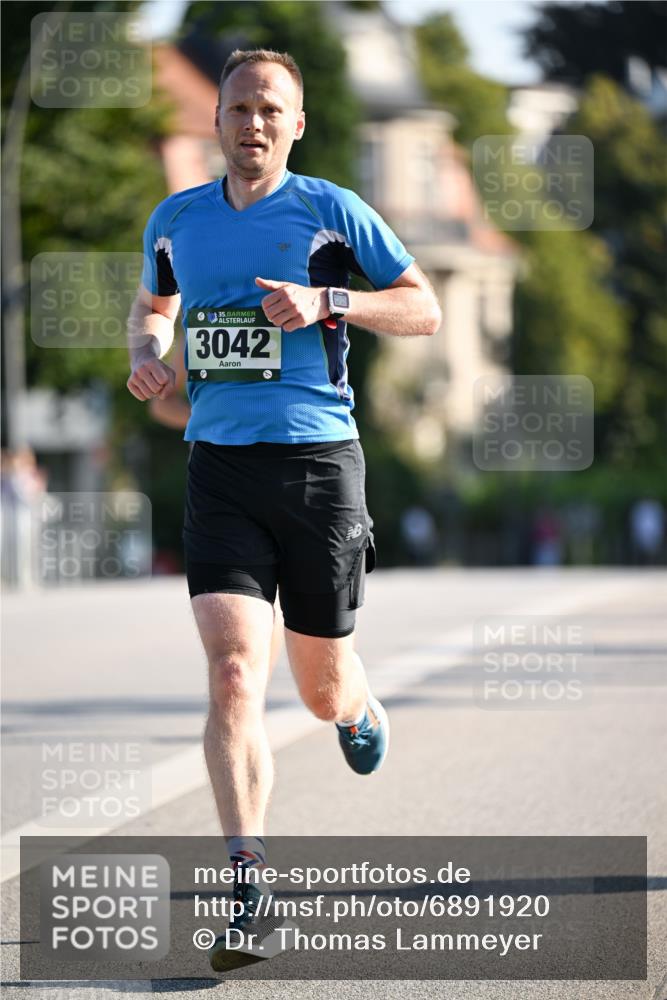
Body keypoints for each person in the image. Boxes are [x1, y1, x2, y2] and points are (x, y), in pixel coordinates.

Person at [127, 48, 440, 970]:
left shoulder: (330, 210)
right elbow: (154, 305)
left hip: (317, 469)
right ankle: (249, 884)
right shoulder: (177, 219)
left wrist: (326, 300)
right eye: (238, 108)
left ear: (295, 124)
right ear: (216, 121)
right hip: (219, 470)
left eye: (270, 109)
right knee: (233, 672)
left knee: (317, 690)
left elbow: (421, 308)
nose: (252, 123)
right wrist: (148, 350)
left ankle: (355, 705)